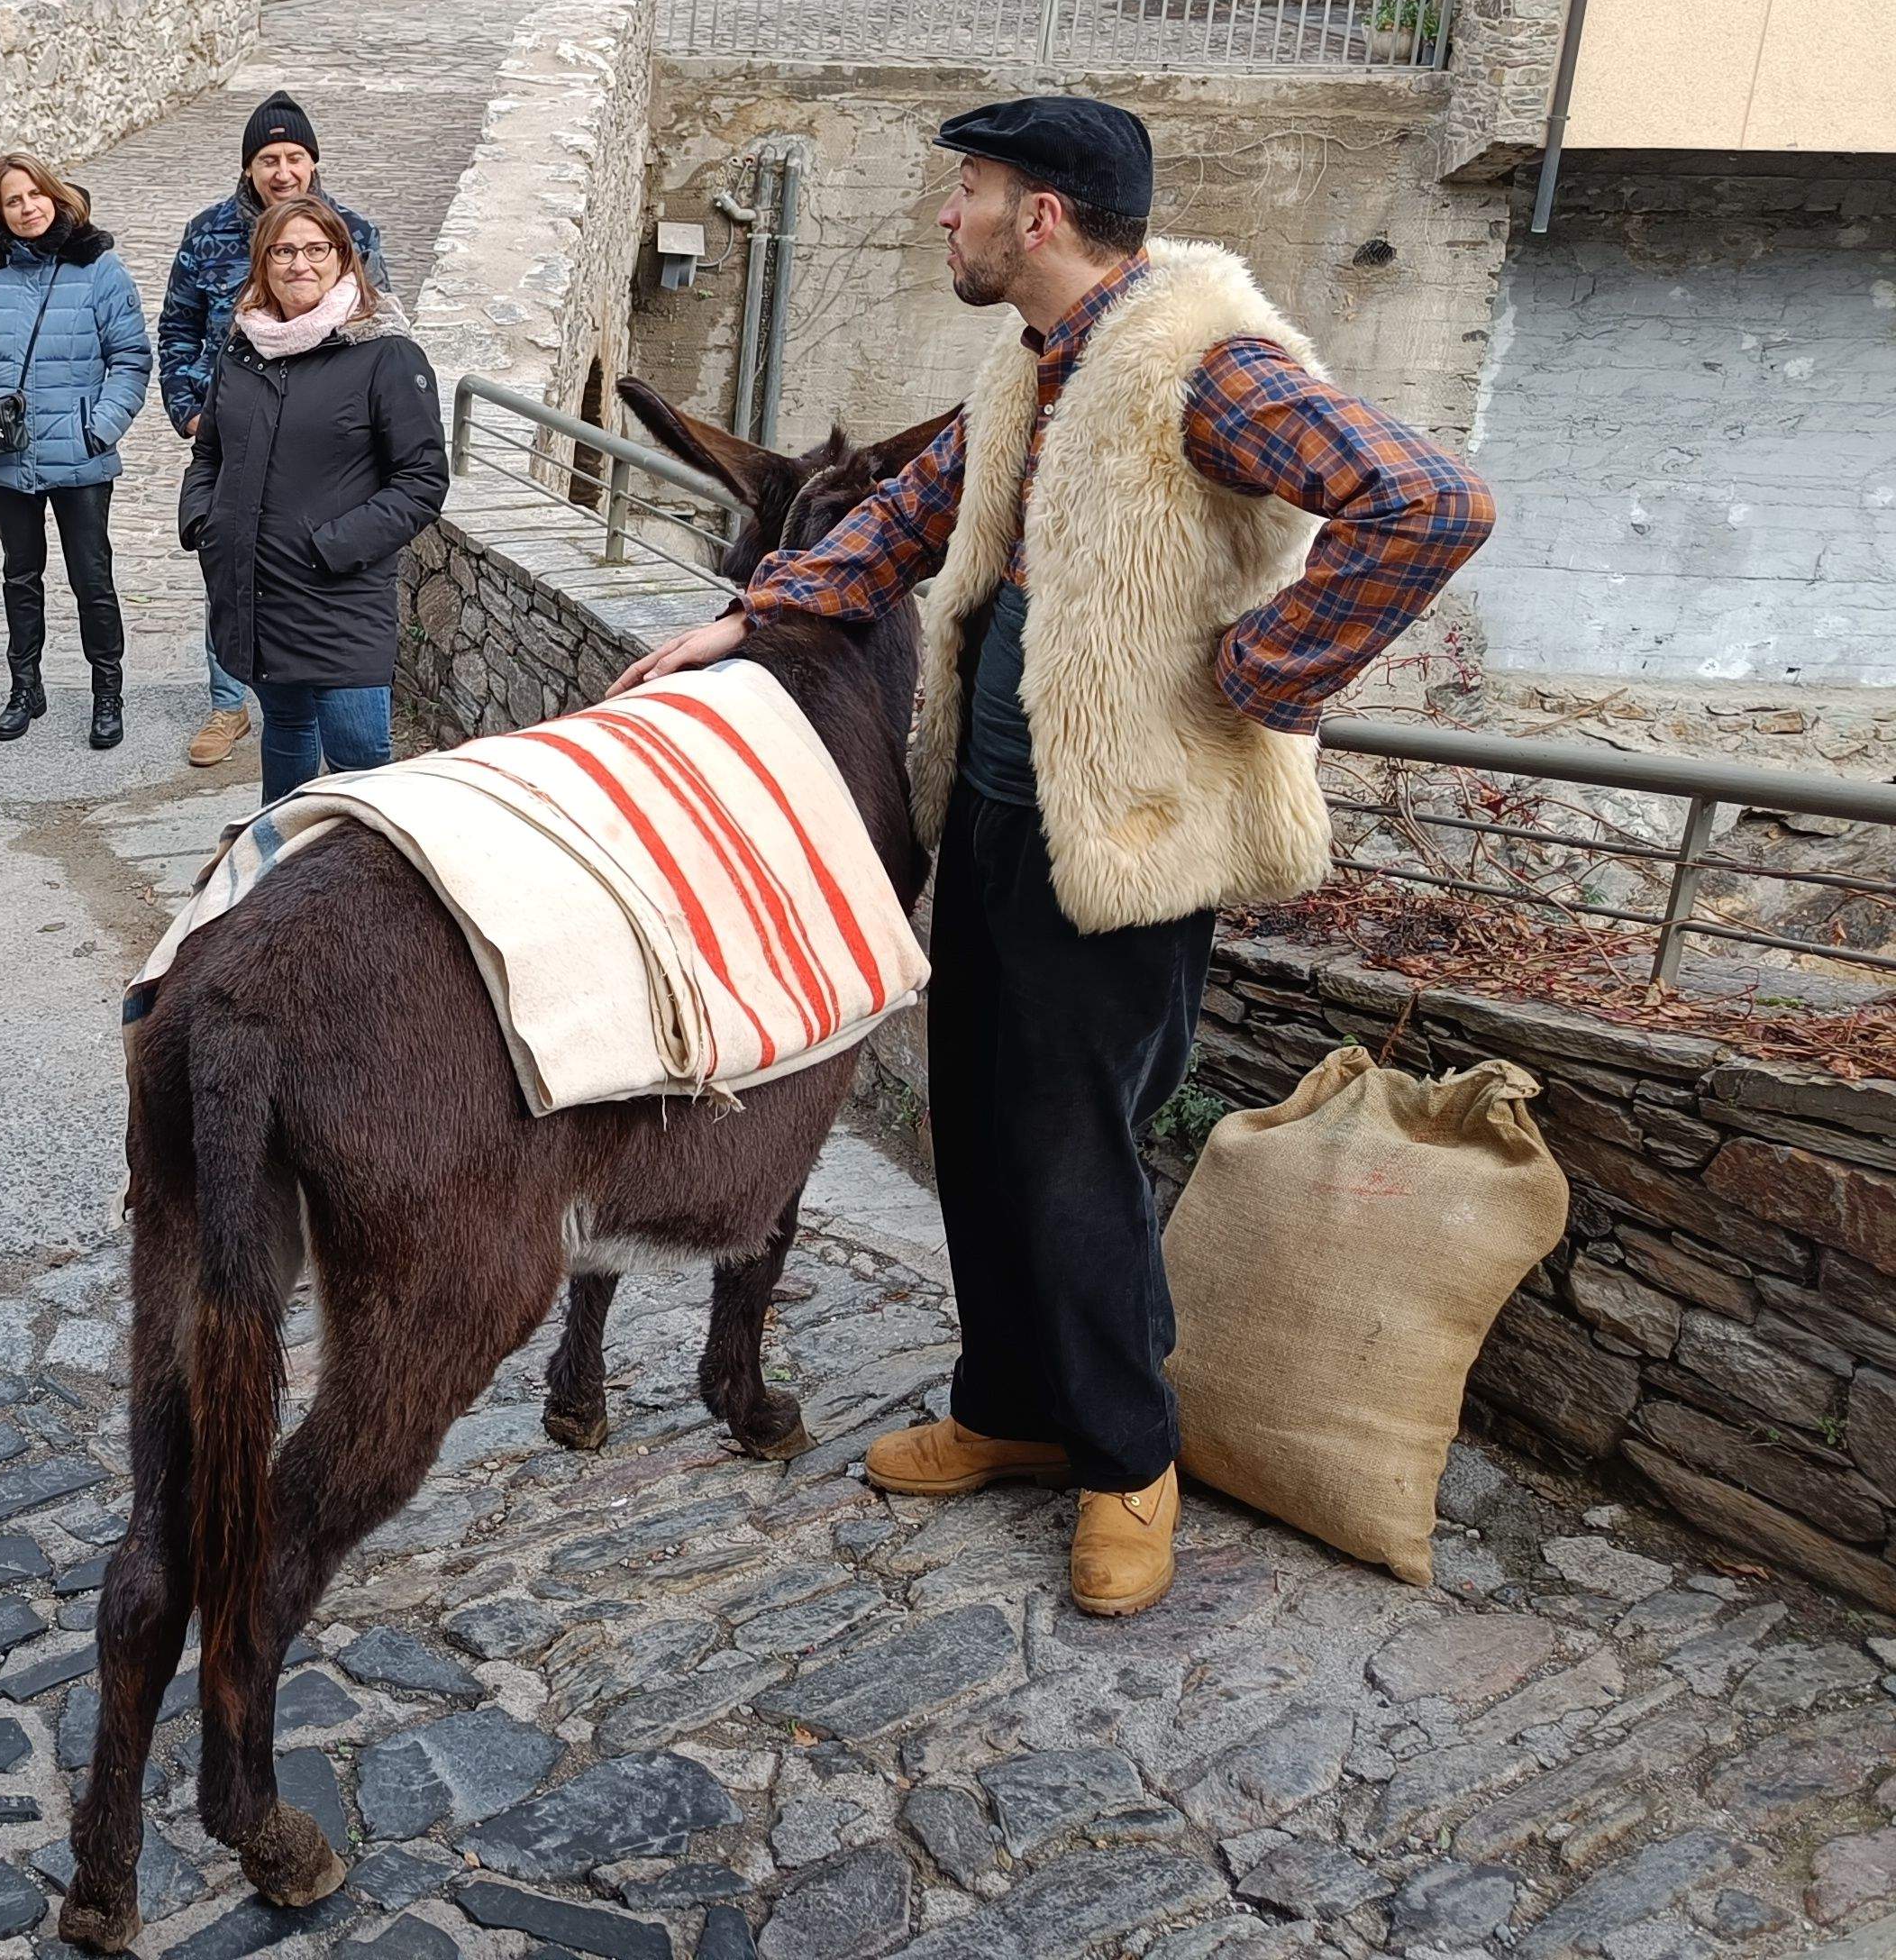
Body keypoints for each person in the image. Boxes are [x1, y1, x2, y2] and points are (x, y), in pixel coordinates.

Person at [615, 94, 1497, 1621]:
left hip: (1133, 838)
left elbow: (1429, 502)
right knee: (981, 1123)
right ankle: (1013, 1403)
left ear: (1039, 217)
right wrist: (751, 618)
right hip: (1009, 814)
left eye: (966, 194)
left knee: (1078, 1149)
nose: (942, 220)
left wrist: (1258, 675)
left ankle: (1124, 1455)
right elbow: (907, 512)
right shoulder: (1036, 361)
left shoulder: (1200, 365)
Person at [179, 194, 446, 799]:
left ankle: (365, 885)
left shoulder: (385, 354)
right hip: (256, 590)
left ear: (342, 258)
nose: (300, 263)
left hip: (340, 598)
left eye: (316, 249)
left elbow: (422, 480)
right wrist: (203, 521)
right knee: (287, 727)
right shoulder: (243, 350)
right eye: (284, 251)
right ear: (263, 263)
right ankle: (277, 865)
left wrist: (331, 547)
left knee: (357, 756)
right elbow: (210, 452)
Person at [160, 93, 385, 772]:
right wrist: (191, 412)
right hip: (233, 427)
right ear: (249, 167)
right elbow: (175, 327)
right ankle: (229, 702)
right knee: (233, 573)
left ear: (312, 162)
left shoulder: (353, 232)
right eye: (267, 159)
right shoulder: (207, 233)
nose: (282, 171)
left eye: (293, 157)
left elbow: (378, 321)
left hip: (323, 438)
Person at [0, 152, 150, 750]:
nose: (27, 207)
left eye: (35, 194)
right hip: (7, 455)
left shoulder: (100, 270)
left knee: (93, 579)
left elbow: (131, 358)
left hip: (80, 455)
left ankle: (107, 692)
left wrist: (102, 425)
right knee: (20, 575)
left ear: (57, 196)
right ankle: (24, 686)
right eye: (13, 200)